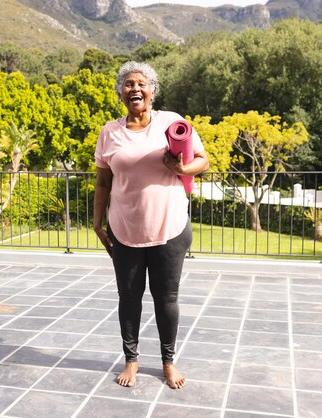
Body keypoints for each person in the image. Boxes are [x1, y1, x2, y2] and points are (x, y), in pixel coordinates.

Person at [93, 61, 210, 389]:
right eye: (128, 84)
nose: (135, 89)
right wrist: (97, 224)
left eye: (141, 84)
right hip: (124, 229)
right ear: (120, 92)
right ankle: (131, 360)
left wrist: (184, 169)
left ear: (153, 90)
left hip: (169, 229)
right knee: (128, 298)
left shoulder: (172, 122)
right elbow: (103, 183)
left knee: (166, 298)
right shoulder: (109, 132)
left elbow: (203, 160)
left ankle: (168, 362)